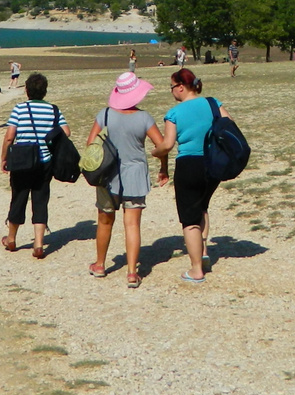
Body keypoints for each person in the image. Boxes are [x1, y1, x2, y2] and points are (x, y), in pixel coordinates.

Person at [87, 71, 169, 288]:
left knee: (105, 220)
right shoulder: (144, 118)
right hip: (135, 176)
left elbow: (90, 144)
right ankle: (132, 273)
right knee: (132, 224)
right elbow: (162, 146)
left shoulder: (104, 115)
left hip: (107, 176)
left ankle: (100, 264)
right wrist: (163, 168)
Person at [160, 67, 222, 283]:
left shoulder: (175, 113)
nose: (171, 92)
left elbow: (167, 145)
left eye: (171, 87)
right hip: (213, 163)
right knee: (203, 206)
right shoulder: (213, 103)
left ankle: (196, 270)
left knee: (189, 219)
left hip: (189, 164)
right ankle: (203, 251)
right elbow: (228, 126)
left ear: (180, 87)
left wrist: (155, 151)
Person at [0, 72, 69, 258]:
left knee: (18, 198)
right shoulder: (54, 110)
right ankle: (39, 244)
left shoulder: (19, 109)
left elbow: (9, 137)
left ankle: (12, 238)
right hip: (44, 161)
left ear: (27, 90)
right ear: (44, 91)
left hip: (21, 161)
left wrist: (4, 159)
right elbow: (66, 132)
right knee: (40, 200)